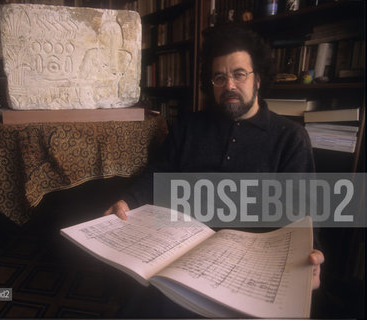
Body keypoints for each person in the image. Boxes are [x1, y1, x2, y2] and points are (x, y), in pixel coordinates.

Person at [104, 26, 324, 291]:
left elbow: (301, 218)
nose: (229, 85)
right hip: (177, 254)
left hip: (250, 266)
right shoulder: (188, 125)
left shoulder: (291, 138)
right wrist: (128, 200)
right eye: (219, 77)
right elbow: (158, 174)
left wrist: (309, 255)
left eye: (239, 74)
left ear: (258, 79)